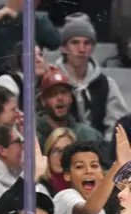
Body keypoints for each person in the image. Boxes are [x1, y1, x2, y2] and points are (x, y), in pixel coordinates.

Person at [54, 12, 128, 141]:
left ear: (93, 47)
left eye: (87, 43)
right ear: (64, 47)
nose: (81, 49)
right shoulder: (52, 80)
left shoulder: (105, 84)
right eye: (75, 43)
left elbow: (118, 125)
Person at [36, 66, 107, 164]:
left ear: (71, 98)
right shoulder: (33, 138)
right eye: (53, 94)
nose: (60, 98)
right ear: (43, 101)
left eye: (64, 92)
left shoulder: (90, 136)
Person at [39, 127, 76, 196]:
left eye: (66, 151)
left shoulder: (81, 186)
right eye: (56, 151)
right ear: (48, 155)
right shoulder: (39, 188)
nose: (61, 157)